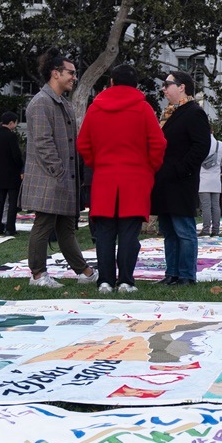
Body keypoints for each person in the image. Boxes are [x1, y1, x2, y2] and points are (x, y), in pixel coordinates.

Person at [77, 64, 165, 294]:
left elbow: (83, 144)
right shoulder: (143, 109)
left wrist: (99, 164)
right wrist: (148, 169)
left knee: (105, 233)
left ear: (112, 82)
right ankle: (126, 280)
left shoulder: (95, 109)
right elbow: (158, 144)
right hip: (135, 179)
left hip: (105, 178)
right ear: (135, 85)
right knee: (129, 233)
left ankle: (105, 280)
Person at [23, 52, 98, 289]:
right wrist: (58, 172)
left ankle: (85, 272)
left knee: (66, 228)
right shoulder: (40, 102)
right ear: (56, 73)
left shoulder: (62, 103)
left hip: (63, 180)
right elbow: (43, 143)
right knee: (43, 225)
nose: (74, 78)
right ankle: (37, 275)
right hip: (49, 179)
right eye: (71, 73)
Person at [153, 71, 212, 286]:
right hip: (165, 180)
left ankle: (186, 274)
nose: (164, 89)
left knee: (183, 230)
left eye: (167, 84)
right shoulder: (169, 113)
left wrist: (181, 169)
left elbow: (201, 146)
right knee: (169, 230)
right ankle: (172, 273)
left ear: (182, 87)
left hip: (181, 181)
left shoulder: (194, 112)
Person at [0, 111, 23, 236]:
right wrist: (21, 167)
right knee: (13, 202)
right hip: (12, 173)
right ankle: (10, 227)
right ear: (11, 123)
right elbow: (16, 155)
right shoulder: (11, 136)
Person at [199, 128, 222, 237]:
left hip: (203, 179)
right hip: (216, 179)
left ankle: (206, 229)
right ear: (213, 132)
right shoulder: (220, 144)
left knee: (206, 206)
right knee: (216, 206)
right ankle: (216, 229)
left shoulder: (200, 143)